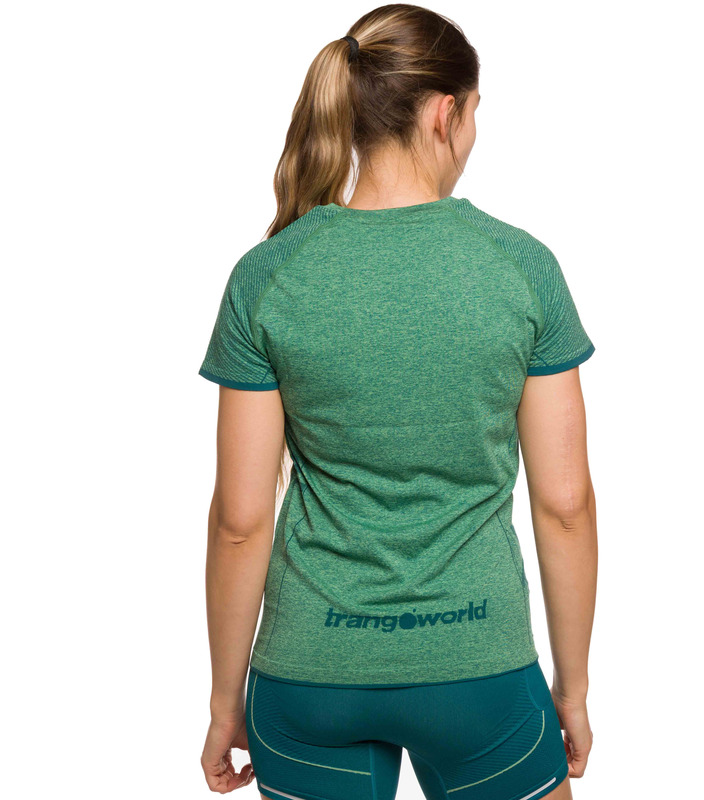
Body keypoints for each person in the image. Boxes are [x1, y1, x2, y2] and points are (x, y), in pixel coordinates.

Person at [198, 5, 597, 800]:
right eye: (475, 113)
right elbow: (565, 506)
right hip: (481, 676)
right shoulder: (522, 267)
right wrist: (573, 688)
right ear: (446, 113)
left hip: (307, 679)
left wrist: (223, 702)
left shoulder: (267, 275)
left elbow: (240, 520)